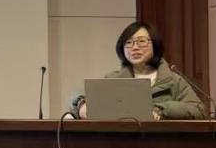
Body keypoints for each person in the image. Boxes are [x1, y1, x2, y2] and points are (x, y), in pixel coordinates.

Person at [71, 21, 206, 119]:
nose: (135, 47)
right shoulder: (114, 79)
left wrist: (161, 109)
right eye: (129, 43)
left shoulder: (173, 81)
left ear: (155, 45)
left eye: (141, 41)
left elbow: (199, 110)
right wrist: (82, 104)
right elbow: (79, 95)